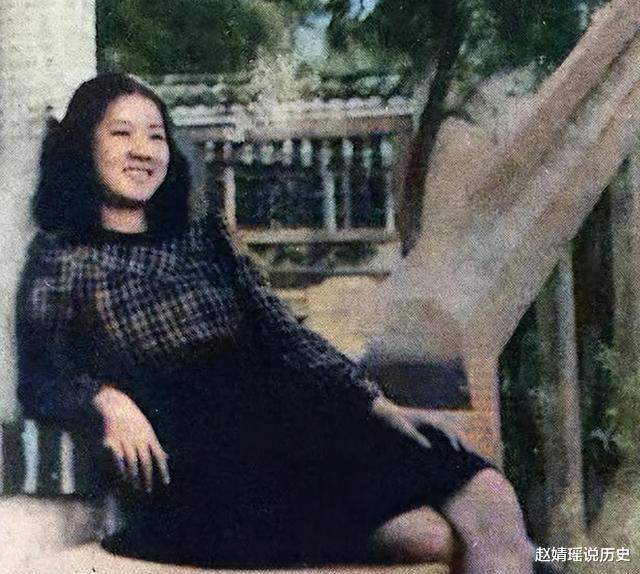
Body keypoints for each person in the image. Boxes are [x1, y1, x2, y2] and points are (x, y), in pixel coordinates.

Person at [16, 73, 535, 573]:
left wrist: (376, 404)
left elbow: (286, 335)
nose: (143, 150)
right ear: (83, 146)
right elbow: (39, 379)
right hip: (210, 469)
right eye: (121, 133)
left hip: (299, 424)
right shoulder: (64, 258)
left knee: (489, 496)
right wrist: (106, 399)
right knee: (434, 538)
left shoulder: (203, 237)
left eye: (155, 136)